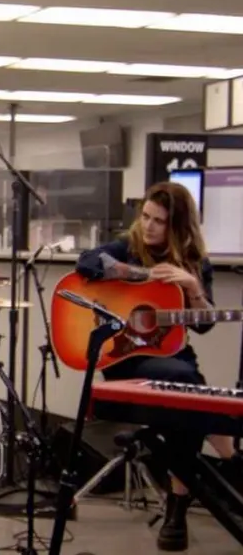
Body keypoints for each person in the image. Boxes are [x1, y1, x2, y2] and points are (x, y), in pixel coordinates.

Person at [75, 181, 238, 552]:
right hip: (125, 358)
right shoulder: (127, 247)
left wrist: (193, 288)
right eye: (145, 216)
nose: (148, 226)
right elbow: (87, 261)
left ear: (177, 226)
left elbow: (204, 324)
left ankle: (177, 506)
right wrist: (145, 275)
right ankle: (228, 463)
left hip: (174, 358)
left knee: (188, 398)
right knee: (191, 391)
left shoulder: (196, 262)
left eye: (158, 221)